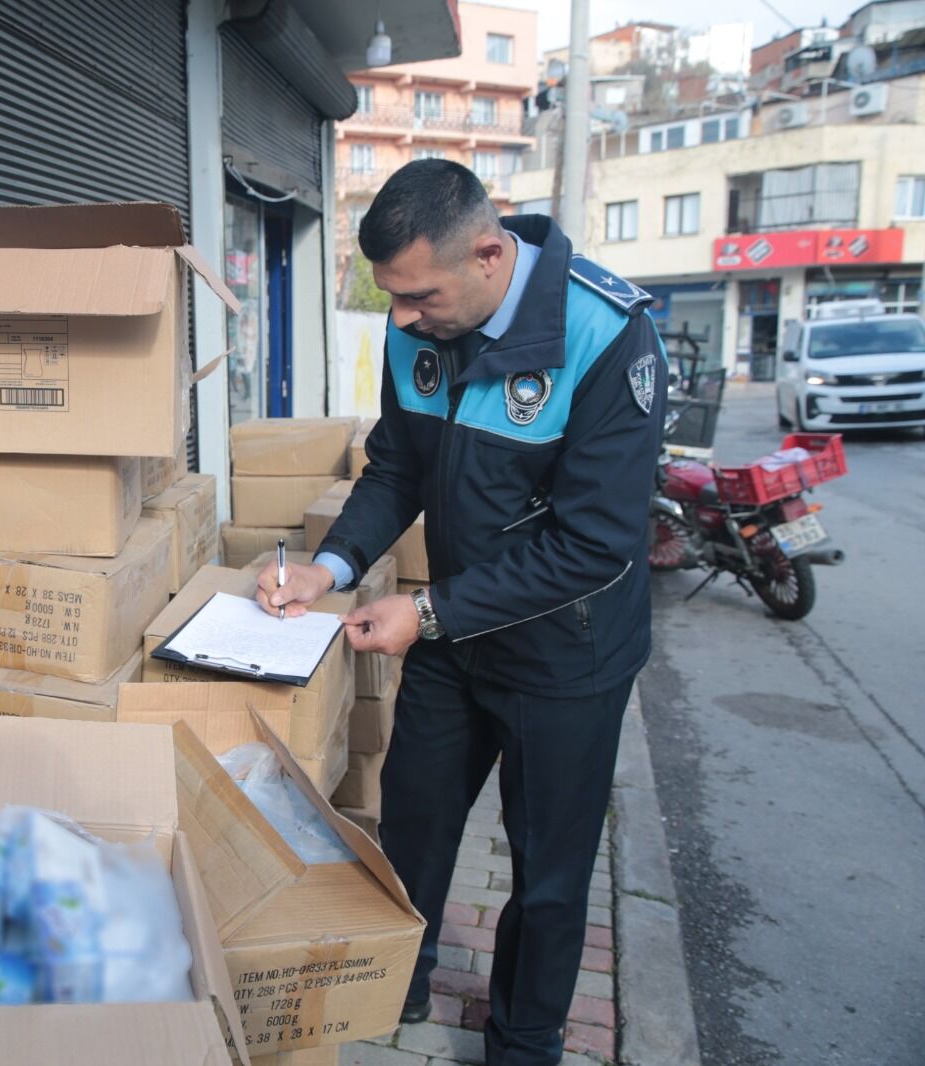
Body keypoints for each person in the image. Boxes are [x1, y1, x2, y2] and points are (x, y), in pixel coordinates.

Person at [255, 160, 666, 1066]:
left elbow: (594, 545)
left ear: (488, 255)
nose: (401, 320)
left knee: (549, 874)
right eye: (392, 299)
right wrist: (331, 568)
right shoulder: (420, 324)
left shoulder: (609, 336)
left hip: (570, 654)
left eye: (418, 297)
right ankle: (396, 980)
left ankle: (523, 1040)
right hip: (450, 635)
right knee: (413, 823)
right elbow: (397, 465)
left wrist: (427, 611)